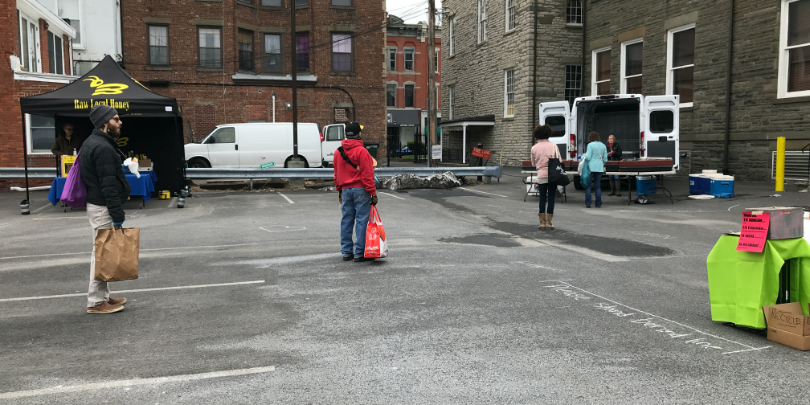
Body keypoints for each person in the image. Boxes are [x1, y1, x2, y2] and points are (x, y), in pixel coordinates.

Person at [80, 105, 130, 314]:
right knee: (101, 254)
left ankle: (103, 296)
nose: (120, 123)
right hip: (103, 207)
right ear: (104, 122)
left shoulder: (93, 143)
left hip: (98, 205)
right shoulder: (103, 148)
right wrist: (118, 215)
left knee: (104, 253)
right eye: (116, 119)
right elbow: (108, 186)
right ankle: (95, 302)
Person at [334, 122, 378, 262]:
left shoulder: (338, 152)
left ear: (346, 134)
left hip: (345, 190)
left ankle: (346, 252)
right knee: (361, 220)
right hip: (361, 189)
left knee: (346, 220)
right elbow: (368, 174)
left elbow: (336, 174)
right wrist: (372, 192)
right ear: (359, 134)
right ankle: (360, 252)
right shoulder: (362, 151)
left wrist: (339, 189)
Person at [530, 124, 559, 230]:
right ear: (548, 134)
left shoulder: (534, 148)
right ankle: (549, 222)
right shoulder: (554, 146)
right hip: (552, 176)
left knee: (542, 198)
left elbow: (533, 163)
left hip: (541, 175)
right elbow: (559, 160)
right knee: (551, 198)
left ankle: (541, 222)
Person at [584, 131, 607, 208]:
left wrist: (581, 157)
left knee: (588, 186)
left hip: (590, 168)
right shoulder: (603, 145)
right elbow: (605, 159)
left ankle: (588, 203)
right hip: (599, 168)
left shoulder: (590, 145)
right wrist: (601, 163)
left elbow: (588, 157)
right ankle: (598, 203)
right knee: (597, 186)